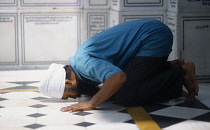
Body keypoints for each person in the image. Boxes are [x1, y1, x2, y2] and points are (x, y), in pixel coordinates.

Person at [39, 19, 199, 113]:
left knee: (127, 95)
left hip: (153, 37)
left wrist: (91, 103)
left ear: (68, 83)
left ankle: (181, 72)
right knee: (120, 89)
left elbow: (118, 77)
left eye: (67, 95)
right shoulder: (81, 63)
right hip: (146, 39)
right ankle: (169, 67)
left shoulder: (84, 64)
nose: (74, 98)